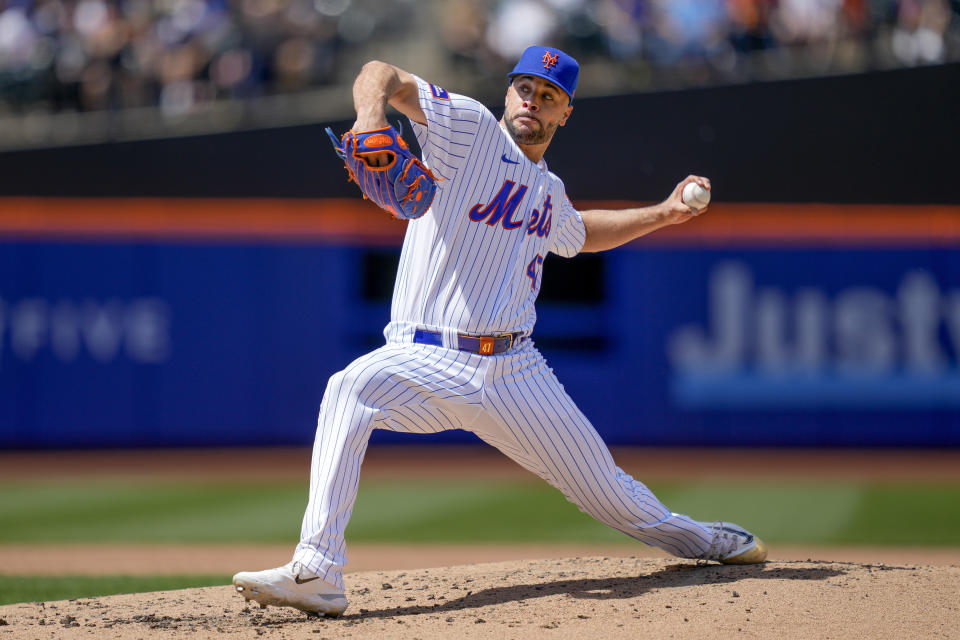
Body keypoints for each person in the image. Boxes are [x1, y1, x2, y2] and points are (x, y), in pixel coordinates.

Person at [232, 45, 766, 617]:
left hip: (516, 372)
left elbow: (578, 232)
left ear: (566, 113)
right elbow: (378, 74)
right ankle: (318, 570)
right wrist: (370, 118)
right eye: (525, 88)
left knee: (609, 493)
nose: (532, 101)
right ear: (509, 91)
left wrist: (662, 214)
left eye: (549, 96)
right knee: (349, 389)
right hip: (427, 356)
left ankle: (706, 542)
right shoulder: (469, 128)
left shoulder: (547, 188)